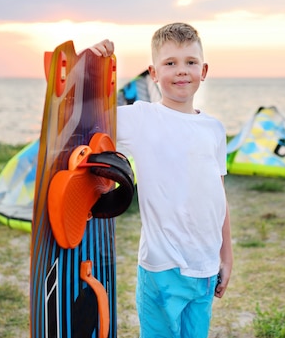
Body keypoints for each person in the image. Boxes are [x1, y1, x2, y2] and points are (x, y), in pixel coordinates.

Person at [90, 23, 233, 338]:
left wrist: (226, 255)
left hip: (206, 267)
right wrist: (93, 65)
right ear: (153, 73)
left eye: (190, 62)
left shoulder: (215, 129)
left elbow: (217, 194)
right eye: (170, 63)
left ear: (203, 70)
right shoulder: (141, 119)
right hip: (161, 267)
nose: (181, 71)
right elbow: (88, 116)